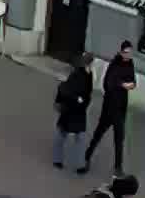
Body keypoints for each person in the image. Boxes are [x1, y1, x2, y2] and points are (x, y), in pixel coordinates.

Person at [82, 40, 137, 175]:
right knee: (98, 134)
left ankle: (118, 168)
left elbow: (133, 80)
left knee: (119, 139)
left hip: (120, 109)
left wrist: (133, 84)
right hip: (109, 107)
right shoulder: (114, 64)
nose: (127, 55)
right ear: (120, 51)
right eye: (125, 52)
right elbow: (107, 83)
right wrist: (123, 85)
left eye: (130, 53)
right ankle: (86, 157)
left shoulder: (130, 64)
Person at [54, 52, 93, 169]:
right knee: (75, 136)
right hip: (72, 110)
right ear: (88, 63)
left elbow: (88, 92)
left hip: (75, 110)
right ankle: (79, 164)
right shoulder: (78, 75)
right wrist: (78, 99)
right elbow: (65, 89)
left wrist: (84, 102)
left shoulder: (87, 74)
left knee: (66, 134)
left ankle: (60, 160)